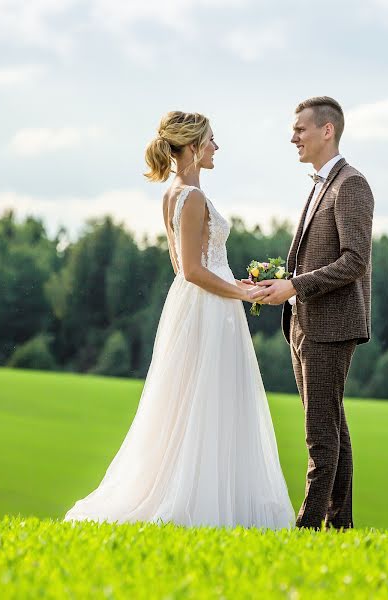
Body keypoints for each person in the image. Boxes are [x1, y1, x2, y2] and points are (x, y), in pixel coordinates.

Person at [63, 111, 295, 529]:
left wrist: (232, 281)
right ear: (191, 147)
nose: (216, 148)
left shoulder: (173, 195)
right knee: (208, 399)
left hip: (201, 303)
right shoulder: (192, 197)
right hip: (208, 308)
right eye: (210, 141)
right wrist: (240, 292)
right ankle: (197, 501)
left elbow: (189, 265)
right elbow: (190, 268)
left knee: (196, 399)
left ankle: (204, 492)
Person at [250, 97, 374, 530]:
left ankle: (307, 528)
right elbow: (314, 259)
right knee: (332, 427)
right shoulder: (321, 183)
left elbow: (354, 261)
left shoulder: (351, 184)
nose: (293, 137)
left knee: (321, 435)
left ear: (327, 131)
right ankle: (340, 526)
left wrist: (295, 286)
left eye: (300, 129)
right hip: (303, 325)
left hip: (331, 325)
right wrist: (276, 281)